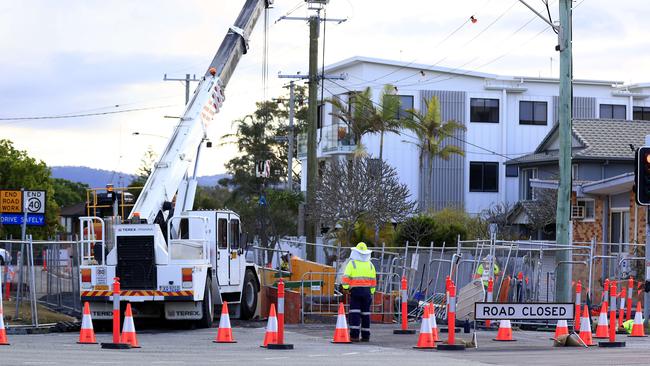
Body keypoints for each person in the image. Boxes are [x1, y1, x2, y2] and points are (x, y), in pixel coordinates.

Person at [341, 242, 377, 342]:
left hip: (355, 292)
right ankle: (366, 336)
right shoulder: (370, 265)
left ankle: (354, 336)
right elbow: (373, 281)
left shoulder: (352, 264)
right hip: (367, 293)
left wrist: (346, 288)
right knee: (366, 314)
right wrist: (372, 292)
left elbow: (346, 277)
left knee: (355, 314)